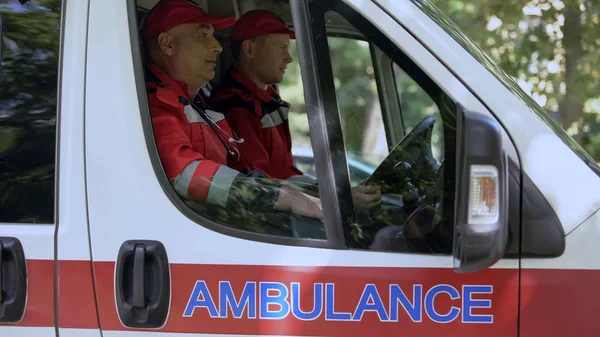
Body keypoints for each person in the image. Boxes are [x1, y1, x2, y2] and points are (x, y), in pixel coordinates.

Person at [139, 0, 323, 231]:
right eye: (203, 36)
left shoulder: (194, 102)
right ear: (167, 44)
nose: (217, 47)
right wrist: (278, 196)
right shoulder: (152, 104)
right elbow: (184, 173)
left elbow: (239, 170)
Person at [210, 9, 381, 209]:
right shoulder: (237, 108)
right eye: (280, 47)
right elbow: (264, 187)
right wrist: (339, 197)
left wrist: (337, 190)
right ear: (249, 50)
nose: (288, 58)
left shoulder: (266, 100)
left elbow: (286, 174)